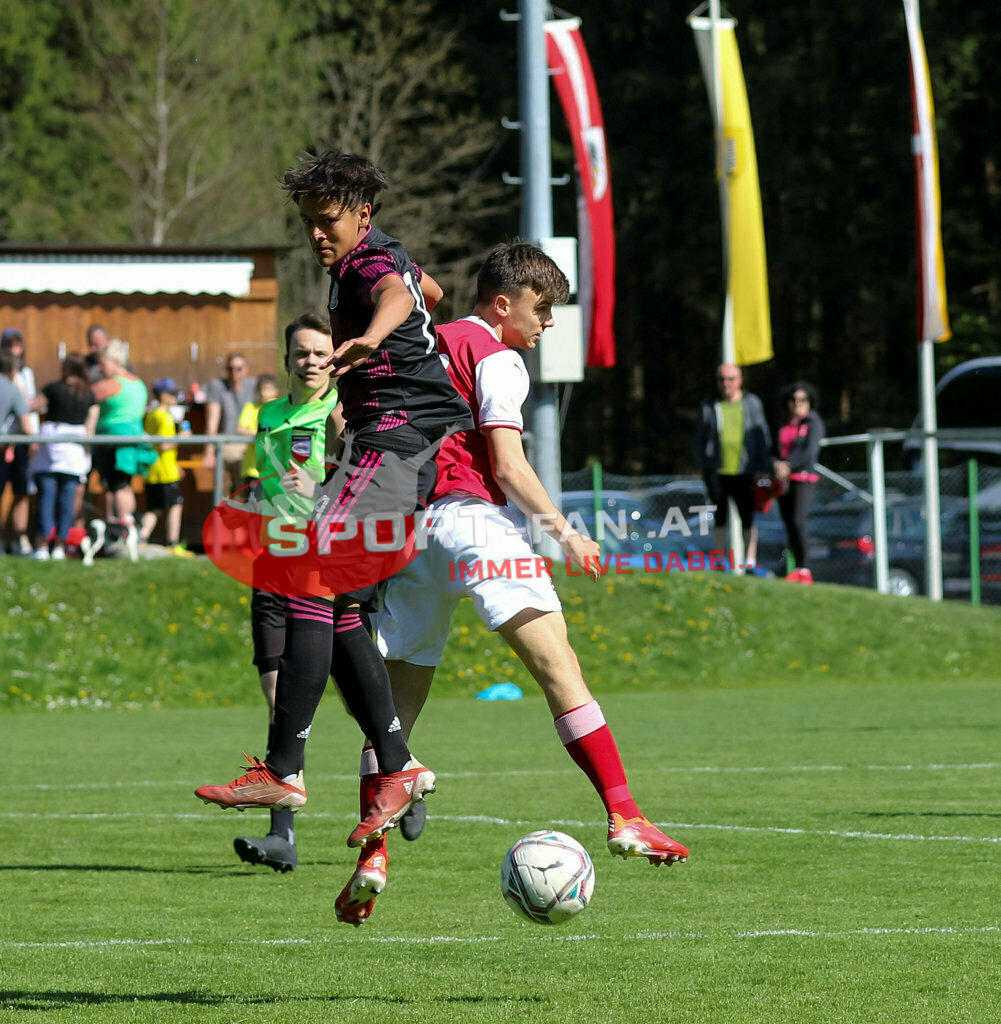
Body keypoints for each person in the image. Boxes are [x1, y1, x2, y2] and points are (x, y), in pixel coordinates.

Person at [332, 240, 690, 926]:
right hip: (474, 524)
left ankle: (370, 858)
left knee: (393, 720)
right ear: (502, 303)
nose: (547, 322)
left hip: (408, 534)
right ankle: (623, 814)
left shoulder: (424, 342)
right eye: (541, 306)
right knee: (560, 671)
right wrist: (564, 532)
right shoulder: (496, 356)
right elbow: (507, 462)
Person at [196, 150, 473, 855]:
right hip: (399, 441)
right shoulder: (386, 256)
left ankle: (284, 771)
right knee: (341, 602)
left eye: (326, 223)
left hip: (392, 435)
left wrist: (375, 340)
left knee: (306, 574)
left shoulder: (366, 268)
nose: (317, 236)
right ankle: (397, 763)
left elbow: (401, 297)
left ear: (362, 215)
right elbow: (426, 291)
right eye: (308, 224)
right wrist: (411, 328)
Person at [693, 363, 772, 572]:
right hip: (717, 471)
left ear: (740, 380)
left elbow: (762, 435)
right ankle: (719, 561)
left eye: (731, 379)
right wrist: (703, 464)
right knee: (719, 517)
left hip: (746, 471)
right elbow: (700, 437)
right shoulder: (710, 405)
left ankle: (749, 562)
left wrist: (762, 467)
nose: (726, 384)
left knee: (747, 517)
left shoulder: (752, 403)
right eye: (722, 379)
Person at [29, 354, 98, 559]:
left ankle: (42, 546)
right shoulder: (89, 394)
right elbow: (90, 427)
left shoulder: (53, 389)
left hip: (50, 450)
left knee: (46, 498)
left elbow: (31, 405)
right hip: (74, 452)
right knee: (68, 501)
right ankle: (60, 546)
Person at [92, 339, 155, 529]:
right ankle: (129, 528)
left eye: (102, 364)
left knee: (117, 486)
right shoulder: (138, 383)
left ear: (115, 361)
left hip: (114, 442)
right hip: (132, 440)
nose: (100, 369)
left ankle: (123, 529)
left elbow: (81, 397)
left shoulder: (112, 384)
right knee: (124, 486)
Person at [772, 381, 825, 582]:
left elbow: (809, 451)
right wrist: (776, 465)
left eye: (803, 400)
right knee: (789, 525)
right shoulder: (783, 424)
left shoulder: (814, 423)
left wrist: (787, 465)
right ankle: (795, 569)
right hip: (783, 481)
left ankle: (805, 569)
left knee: (798, 521)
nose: (798, 404)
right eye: (793, 400)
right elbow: (774, 449)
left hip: (803, 479)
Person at [140, 379, 191, 555]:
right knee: (175, 505)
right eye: (172, 393)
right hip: (165, 472)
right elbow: (164, 445)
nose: (176, 397)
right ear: (163, 396)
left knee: (154, 507)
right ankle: (173, 544)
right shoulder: (163, 416)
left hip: (155, 469)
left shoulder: (152, 414)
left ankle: (141, 539)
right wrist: (181, 438)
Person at [0, 329, 38, 555]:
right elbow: (27, 424)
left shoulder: (25, 376)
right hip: (7, 443)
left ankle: (18, 538)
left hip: (16, 446)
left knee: (21, 491)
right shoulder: (12, 388)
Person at [202, 352, 257, 496]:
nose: (234, 372)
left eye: (238, 369)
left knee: (243, 493)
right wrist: (208, 452)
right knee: (222, 492)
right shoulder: (217, 386)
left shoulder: (254, 386)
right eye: (230, 368)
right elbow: (212, 421)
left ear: (245, 369)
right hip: (225, 443)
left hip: (248, 446)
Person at [237, 373, 279, 490]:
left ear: (275, 391)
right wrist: (259, 433)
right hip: (253, 468)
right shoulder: (250, 407)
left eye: (267, 389)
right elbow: (240, 429)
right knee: (253, 505)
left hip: (273, 469)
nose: (263, 393)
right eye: (261, 389)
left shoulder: (279, 407)